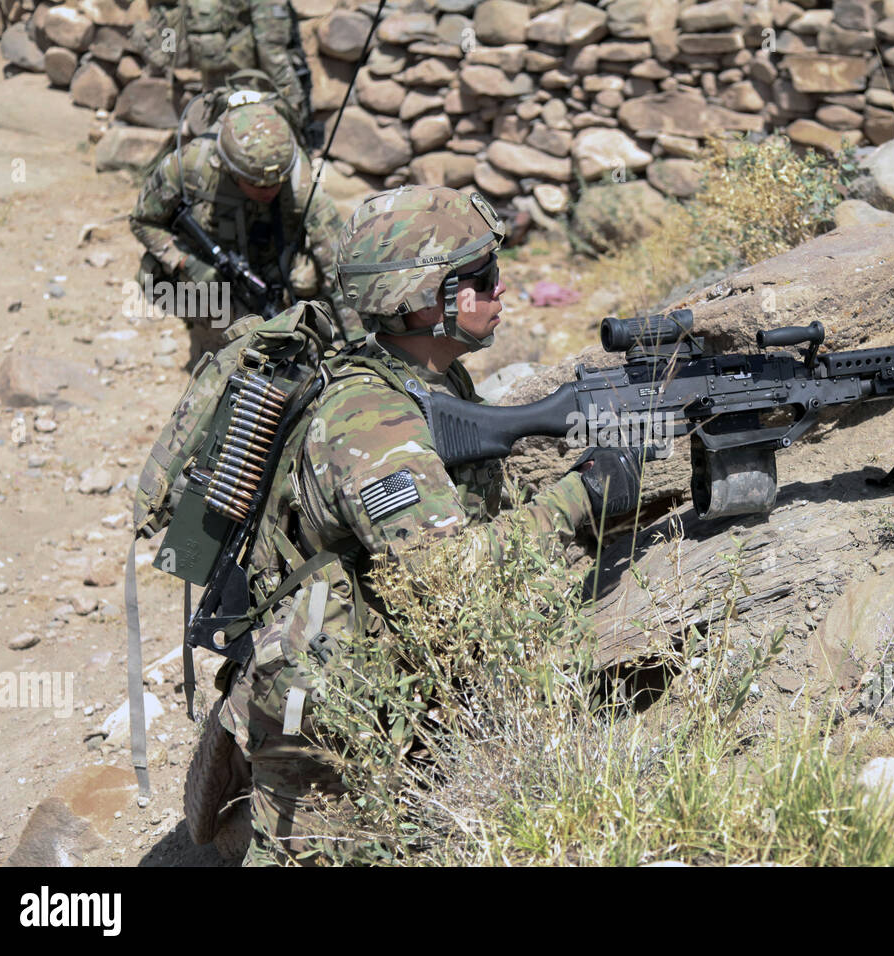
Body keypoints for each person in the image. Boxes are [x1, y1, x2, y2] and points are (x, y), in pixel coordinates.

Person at [202, 185, 643, 863]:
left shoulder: (422, 378)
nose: (502, 290)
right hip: (325, 706)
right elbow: (449, 577)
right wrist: (579, 498)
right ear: (424, 297)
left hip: (379, 669)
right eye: (481, 279)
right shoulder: (373, 425)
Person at [130, 100, 357, 362]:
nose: (269, 191)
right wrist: (186, 262)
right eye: (257, 184)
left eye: (276, 182)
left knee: (305, 284)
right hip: (212, 278)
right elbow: (142, 220)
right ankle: (210, 344)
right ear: (228, 169)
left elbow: (338, 266)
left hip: (270, 273)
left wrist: (356, 347)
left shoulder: (301, 181)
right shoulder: (190, 166)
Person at [133, 0, 313, 136]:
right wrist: (293, 100)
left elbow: (169, 23)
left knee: (221, 137)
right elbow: (271, 51)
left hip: (213, 82)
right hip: (252, 85)